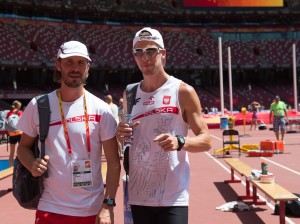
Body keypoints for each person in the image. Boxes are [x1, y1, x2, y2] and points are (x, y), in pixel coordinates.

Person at [16, 40, 121, 224]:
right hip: (50, 207)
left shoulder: (101, 110)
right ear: (58, 65)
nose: (75, 68)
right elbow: (23, 148)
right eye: (69, 62)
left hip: (92, 209)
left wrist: (108, 204)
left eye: (81, 62)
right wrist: (32, 164)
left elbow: (113, 163)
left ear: (88, 66)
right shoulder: (39, 106)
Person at [116, 27, 211, 224]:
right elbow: (127, 138)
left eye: (151, 51)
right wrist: (121, 134)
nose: (145, 58)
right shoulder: (130, 94)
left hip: (172, 196)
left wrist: (180, 141)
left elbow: (206, 140)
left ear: (163, 53)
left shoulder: (182, 91)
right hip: (138, 193)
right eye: (138, 52)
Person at [6, 100, 23, 166]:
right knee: (22, 151)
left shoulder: (9, 113)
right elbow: (21, 121)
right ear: (18, 106)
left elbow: (6, 123)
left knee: (11, 153)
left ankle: (10, 167)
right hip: (19, 133)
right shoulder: (20, 112)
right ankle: (22, 166)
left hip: (12, 134)